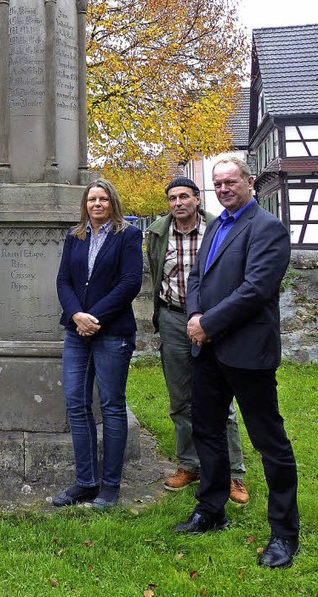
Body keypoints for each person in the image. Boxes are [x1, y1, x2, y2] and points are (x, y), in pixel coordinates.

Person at [175, 156, 300, 569]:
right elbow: (197, 277)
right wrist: (195, 316)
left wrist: (207, 323)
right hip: (207, 350)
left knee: (270, 443)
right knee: (207, 431)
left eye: (231, 181)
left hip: (246, 352)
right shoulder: (215, 225)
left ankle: (284, 534)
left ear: (249, 182)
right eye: (218, 183)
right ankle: (211, 510)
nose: (224, 188)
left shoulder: (268, 229)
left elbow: (255, 290)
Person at [146, 176, 249, 505]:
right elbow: (155, 272)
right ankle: (189, 464)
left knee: (222, 400)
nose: (178, 203)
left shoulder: (217, 228)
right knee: (180, 399)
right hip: (174, 318)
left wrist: (214, 318)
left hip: (213, 319)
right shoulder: (158, 233)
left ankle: (234, 473)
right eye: (172, 198)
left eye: (184, 197)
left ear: (197, 199)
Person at [53, 178, 143, 510]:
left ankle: (110, 485)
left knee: (111, 406)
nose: (97, 204)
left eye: (103, 199)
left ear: (113, 203)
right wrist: (76, 314)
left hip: (113, 332)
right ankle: (86, 481)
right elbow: (63, 280)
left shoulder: (128, 236)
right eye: (92, 199)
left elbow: (131, 282)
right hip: (76, 332)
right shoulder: (74, 237)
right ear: (85, 204)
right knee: (77, 405)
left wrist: (94, 316)